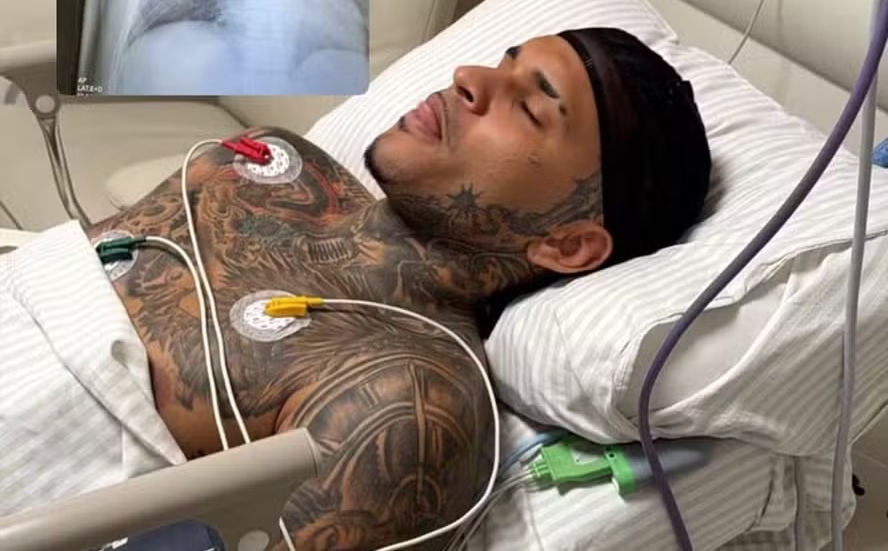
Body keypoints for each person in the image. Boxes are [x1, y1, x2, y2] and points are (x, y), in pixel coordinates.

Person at [6, 27, 711, 551]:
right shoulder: (273, 158)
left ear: (567, 245)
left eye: (530, 108)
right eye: (502, 63)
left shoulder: (411, 399)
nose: (469, 78)